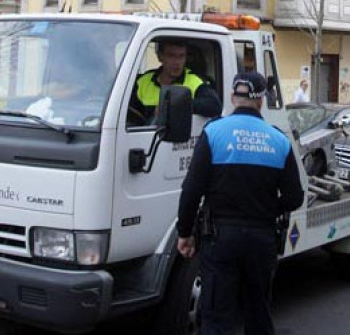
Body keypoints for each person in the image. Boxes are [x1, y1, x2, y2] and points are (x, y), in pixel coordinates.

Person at [176, 71, 304, 335]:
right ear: (261, 101)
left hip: (220, 239)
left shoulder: (213, 133)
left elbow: (191, 190)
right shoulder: (278, 139)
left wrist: (185, 233)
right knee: (258, 313)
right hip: (261, 239)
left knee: (216, 317)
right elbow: (295, 197)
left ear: (234, 97)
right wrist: (269, 209)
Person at [128, 40, 222, 126]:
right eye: (171, 56)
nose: (177, 62)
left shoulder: (195, 81)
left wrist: (174, 105)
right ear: (160, 56)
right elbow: (128, 113)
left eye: (181, 56)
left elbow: (215, 106)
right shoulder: (143, 81)